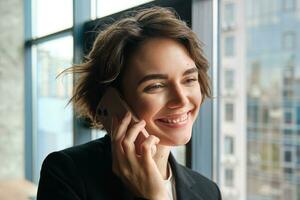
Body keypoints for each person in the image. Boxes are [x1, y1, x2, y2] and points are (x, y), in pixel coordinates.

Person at [37, 6, 222, 200]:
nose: (181, 99)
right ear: (112, 100)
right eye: (156, 86)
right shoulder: (67, 174)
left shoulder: (208, 191)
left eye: (189, 80)